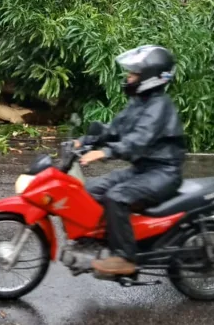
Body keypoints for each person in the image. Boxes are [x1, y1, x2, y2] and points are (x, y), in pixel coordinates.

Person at [77, 45, 185, 277]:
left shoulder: (159, 106)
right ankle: (106, 242)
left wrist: (105, 153)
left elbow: (139, 140)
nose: (129, 78)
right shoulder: (139, 102)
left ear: (150, 77)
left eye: (134, 74)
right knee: (91, 190)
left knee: (117, 197)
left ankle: (126, 258)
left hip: (163, 173)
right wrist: (84, 141)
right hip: (143, 170)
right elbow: (114, 130)